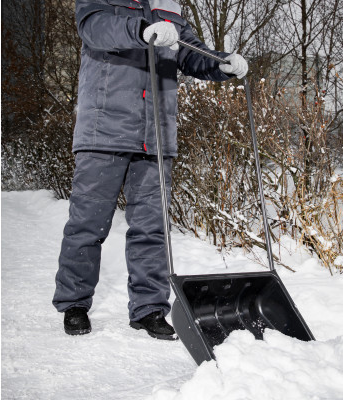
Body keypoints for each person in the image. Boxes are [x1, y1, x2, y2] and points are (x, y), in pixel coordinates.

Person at [52, 0, 248, 340]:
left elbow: (189, 54)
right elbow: (94, 28)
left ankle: (149, 309)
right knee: (87, 222)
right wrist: (140, 31)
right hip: (104, 129)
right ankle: (75, 304)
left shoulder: (168, 5)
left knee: (152, 227)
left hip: (155, 134)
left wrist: (222, 64)